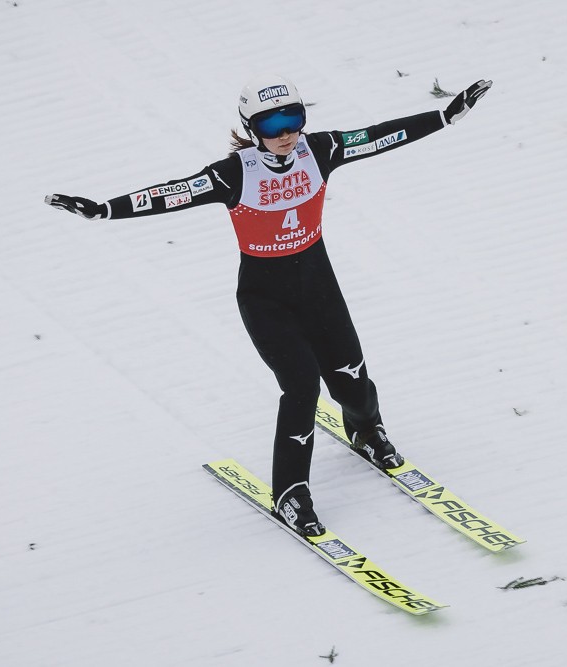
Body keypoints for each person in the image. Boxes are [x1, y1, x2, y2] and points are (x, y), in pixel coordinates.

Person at [45, 74, 493, 537]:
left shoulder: (320, 150)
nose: (285, 134)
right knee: (302, 387)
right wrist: (105, 209)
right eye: (271, 124)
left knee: (352, 381)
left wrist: (444, 116)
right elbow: (172, 193)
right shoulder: (233, 174)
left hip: (319, 288)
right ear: (250, 126)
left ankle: (366, 430)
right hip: (265, 300)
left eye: (293, 119)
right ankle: (291, 493)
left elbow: (380, 136)